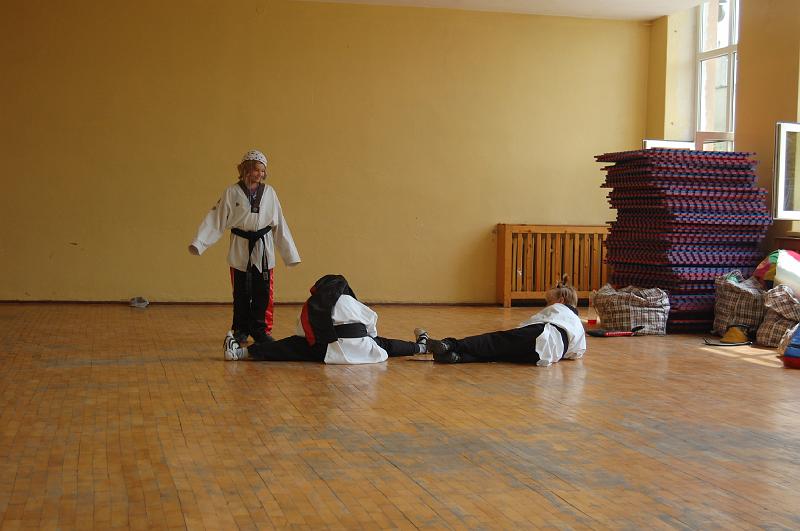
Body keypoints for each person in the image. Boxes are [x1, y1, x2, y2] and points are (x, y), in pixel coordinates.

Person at [189, 149, 300, 345]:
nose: (260, 174)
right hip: (240, 247)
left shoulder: (270, 192)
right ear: (245, 169)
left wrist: (290, 254)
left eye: (263, 171)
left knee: (263, 292)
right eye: (256, 170)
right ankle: (240, 329)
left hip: (263, 247)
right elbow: (216, 219)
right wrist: (199, 243)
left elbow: (280, 223)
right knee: (241, 292)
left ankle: (261, 330)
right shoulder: (231, 192)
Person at [223, 275, 425, 363]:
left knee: (290, 346)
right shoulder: (351, 301)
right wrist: (369, 341)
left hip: (330, 350)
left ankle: (240, 353)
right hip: (365, 351)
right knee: (384, 344)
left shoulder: (315, 303)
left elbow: (302, 332)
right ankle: (421, 347)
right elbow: (372, 325)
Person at [415, 276, 586, 366]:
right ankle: (458, 357)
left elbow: (530, 325)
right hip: (543, 356)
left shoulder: (558, 309)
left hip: (540, 335)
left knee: (494, 341)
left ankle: (449, 345)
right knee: (499, 354)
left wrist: (514, 332)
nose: (547, 305)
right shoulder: (577, 324)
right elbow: (577, 352)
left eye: (549, 301)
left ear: (561, 301)